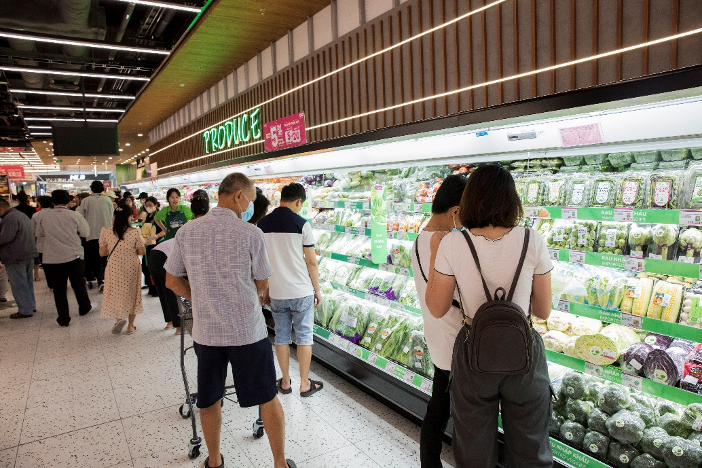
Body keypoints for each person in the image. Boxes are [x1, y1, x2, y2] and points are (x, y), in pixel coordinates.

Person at [425, 164, 553, 468]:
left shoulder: (454, 243)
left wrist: (435, 253)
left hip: (473, 354)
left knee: (473, 451)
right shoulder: (532, 240)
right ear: (512, 201)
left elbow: (436, 307)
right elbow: (544, 311)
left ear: (469, 200)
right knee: (530, 450)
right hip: (523, 354)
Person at [165, 173, 295, 468]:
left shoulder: (186, 232)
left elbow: (172, 280)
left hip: (207, 333)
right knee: (267, 396)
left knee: (209, 399)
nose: (250, 205)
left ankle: (213, 461)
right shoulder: (250, 234)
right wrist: (253, 292)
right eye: (249, 198)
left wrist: (197, 297)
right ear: (239, 196)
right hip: (247, 332)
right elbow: (263, 281)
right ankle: (279, 463)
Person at [410, 174, 467, 468]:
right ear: (456, 211)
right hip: (457, 340)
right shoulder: (447, 243)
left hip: (437, 339)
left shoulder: (418, 240)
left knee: (438, 408)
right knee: (463, 418)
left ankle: (429, 464)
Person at [258, 183, 323, 398]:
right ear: (297, 201)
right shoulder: (302, 224)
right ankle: (304, 384)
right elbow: (312, 263)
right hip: (301, 290)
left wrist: (266, 288)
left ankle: (285, 381)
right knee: (304, 337)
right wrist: (317, 290)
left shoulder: (263, 224)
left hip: (277, 292)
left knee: (281, 336)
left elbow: (263, 262)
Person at [149, 192, 209, 334]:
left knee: (164, 291)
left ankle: (171, 322)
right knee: (171, 289)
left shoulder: (187, 228)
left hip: (156, 254)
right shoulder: (201, 228)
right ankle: (179, 327)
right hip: (164, 256)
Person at [36, 190, 92, 326]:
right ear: (68, 201)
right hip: (74, 255)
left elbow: (39, 233)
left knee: (59, 289)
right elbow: (85, 232)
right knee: (78, 284)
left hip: (52, 257)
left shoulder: (42, 215)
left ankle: (63, 317)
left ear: (52, 202)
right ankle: (84, 307)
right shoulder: (75, 215)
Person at [99, 202, 146, 335]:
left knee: (117, 292)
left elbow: (102, 253)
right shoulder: (135, 231)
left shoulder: (106, 231)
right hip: (131, 265)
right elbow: (142, 251)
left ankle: (119, 319)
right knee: (132, 293)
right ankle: (130, 326)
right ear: (129, 217)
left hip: (113, 266)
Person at [0, 198, 38, 319]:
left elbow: (5, 237)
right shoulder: (20, 215)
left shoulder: (9, 218)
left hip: (15, 255)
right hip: (27, 253)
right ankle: (30, 305)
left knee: (19, 284)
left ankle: (25, 310)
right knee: (27, 282)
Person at [78, 181, 115, 292]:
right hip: (106, 234)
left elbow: (81, 217)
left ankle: (91, 278)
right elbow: (111, 215)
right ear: (103, 189)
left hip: (91, 234)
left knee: (92, 258)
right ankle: (102, 279)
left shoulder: (85, 201)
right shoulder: (108, 200)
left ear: (91, 189)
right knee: (104, 258)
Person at [138, 196, 164, 296]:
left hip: (157, 244)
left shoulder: (160, 216)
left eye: (150, 206)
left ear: (156, 205)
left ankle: (156, 288)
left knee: (154, 266)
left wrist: (156, 236)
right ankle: (151, 286)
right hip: (147, 244)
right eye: (147, 206)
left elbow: (164, 231)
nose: (148, 207)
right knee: (145, 267)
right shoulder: (146, 217)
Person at [31, 196, 53, 280]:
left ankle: (50, 283)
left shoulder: (36, 215)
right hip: (56, 243)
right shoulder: (56, 214)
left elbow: (33, 231)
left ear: (40, 203)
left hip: (41, 244)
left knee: (46, 265)